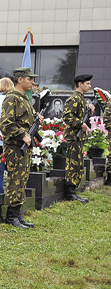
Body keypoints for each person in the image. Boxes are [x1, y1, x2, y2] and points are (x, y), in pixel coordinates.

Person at [0, 67, 42, 229]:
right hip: (16, 146)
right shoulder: (12, 98)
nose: (33, 82)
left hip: (23, 147)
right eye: (30, 79)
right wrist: (22, 135)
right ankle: (11, 216)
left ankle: (17, 214)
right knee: (15, 179)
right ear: (20, 80)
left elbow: (23, 121)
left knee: (22, 180)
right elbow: (5, 125)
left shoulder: (23, 98)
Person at [62, 74, 95, 203]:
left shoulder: (81, 99)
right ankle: (70, 192)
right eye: (87, 83)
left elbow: (81, 117)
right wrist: (80, 124)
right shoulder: (74, 98)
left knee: (78, 163)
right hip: (73, 136)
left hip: (79, 137)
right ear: (79, 84)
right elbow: (67, 116)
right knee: (73, 163)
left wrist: (89, 113)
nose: (90, 86)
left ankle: (73, 190)